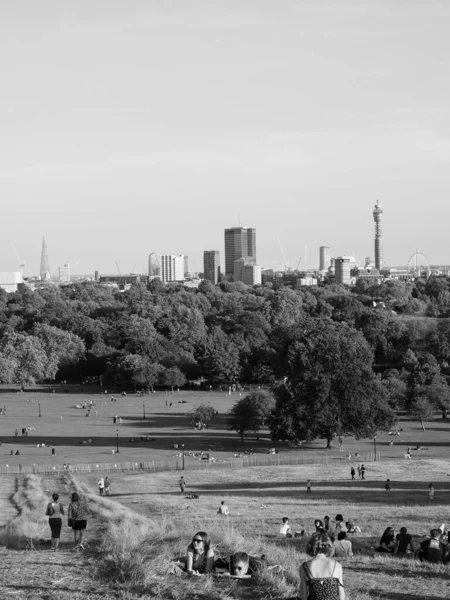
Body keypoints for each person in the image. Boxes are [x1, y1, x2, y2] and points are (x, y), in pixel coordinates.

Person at [300, 532, 345, 600]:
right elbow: (341, 595)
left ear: (310, 546)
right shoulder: (337, 566)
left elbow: (303, 594)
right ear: (329, 546)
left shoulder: (304, 567)